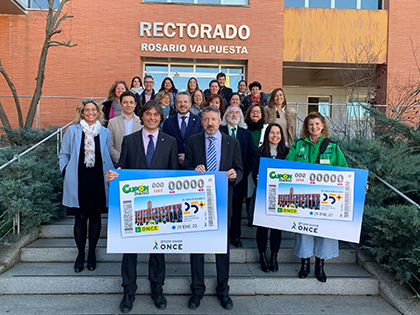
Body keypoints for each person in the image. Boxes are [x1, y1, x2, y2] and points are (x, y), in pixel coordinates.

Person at [106, 100, 179, 313]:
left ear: (161, 118)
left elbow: (174, 174)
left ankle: (157, 289)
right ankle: (128, 291)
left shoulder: (170, 142)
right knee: (130, 250)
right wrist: (114, 175)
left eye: (156, 114)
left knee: (157, 250)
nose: (152, 117)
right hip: (134, 205)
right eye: (148, 114)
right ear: (142, 116)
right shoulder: (129, 140)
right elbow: (123, 169)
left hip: (160, 206)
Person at [183, 106, 243, 311]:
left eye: (213, 120)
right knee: (197, 248)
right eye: (206, 119)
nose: (210, 123)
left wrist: (236, 176)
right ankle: (197, 290)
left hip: (222, 201)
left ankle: (223, 290)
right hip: (198, 204)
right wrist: (193, 170)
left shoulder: (232, 142)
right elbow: (185, 168)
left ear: (220, 121)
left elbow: (240, 169)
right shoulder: (193, 141)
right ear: (201, 122)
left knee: (222, 249)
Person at [285, 112, 348, 283]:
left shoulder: (332, 147)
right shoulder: (298, 146)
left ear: (322, 126)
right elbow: (286, 167)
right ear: (306, 127)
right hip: (303, 197)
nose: (314, 127)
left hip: (326, 198)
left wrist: (360, 184)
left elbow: (344, 170)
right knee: (303, 230)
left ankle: (320, 265)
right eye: (310, 124)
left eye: (317, 124)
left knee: (324, 231)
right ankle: (304, 264)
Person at [59, 99, 113, 273]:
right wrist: (65, 171)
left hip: (98, 177)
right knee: (80, 217)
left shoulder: (104, 132)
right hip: (78, 178)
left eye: (94, 110)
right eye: (87, 110)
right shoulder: (72, 131)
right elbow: (64, 154)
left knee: (96, 216)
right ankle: (80, 254)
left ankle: (92, 253)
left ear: (98, 112)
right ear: (82, 112)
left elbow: (107, 154)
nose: (91, 113)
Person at [251, 123, 289, 272]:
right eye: (272, 133)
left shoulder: (287, 153)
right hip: (263, 195)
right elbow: (254, 175)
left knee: (276, 229)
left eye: (278, 133)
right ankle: (262, 256)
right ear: (267, 135)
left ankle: (274, 256)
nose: (275, 136)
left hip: (281, 197)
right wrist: (259, 179)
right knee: (262, 228)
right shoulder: (259, 152)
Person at [220, 105, 254, 248]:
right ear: (226, 116)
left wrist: (243, 172)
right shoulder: (219, 131)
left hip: (239, 179)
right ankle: (222, 235)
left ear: (240, 117)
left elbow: (251, 155)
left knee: (237, 209)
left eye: (237, 113)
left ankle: (235, 236)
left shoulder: (246, 134)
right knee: (222, 209)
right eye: (231, 112)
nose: (234, 115)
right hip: (221, 178)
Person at [162, 92, 203, 166]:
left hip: (193, 165)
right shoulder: (168, 122)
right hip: (173, 165)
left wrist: (187, 156)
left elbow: (201, 144)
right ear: (175, 105)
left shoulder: (199, 121)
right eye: (179, 102)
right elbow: (165, 145)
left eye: (185, 102)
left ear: (190, 104)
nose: (182, 104)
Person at [108, 91, 142, 165]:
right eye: (125, 102)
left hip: (138, 164)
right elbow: (110, 145)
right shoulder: (112, 122)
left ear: (135, 104)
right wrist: (122, 160)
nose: (128, 105)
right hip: (118, 164)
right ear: (120, 104)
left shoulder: (142, 123)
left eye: (131, 102)